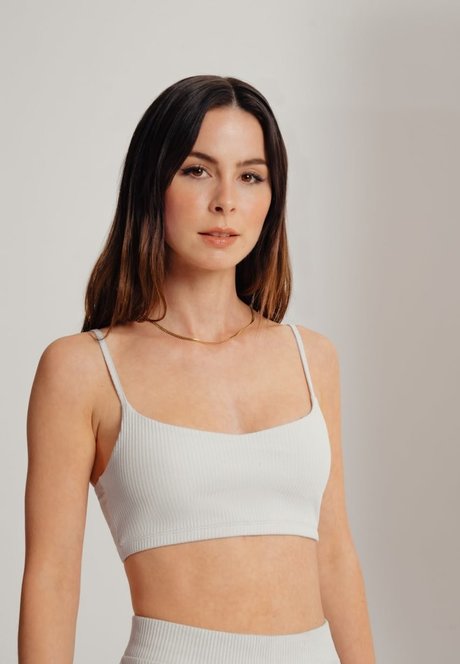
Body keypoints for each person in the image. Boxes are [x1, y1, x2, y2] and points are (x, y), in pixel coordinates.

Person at [18, 74, 376, 663]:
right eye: (196, 170)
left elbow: (334, 553)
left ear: (272, 197)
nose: (225, 201)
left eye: (251, 176)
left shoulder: (312, 357)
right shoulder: (83, 369)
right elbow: (52, 579)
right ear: (151, 182)